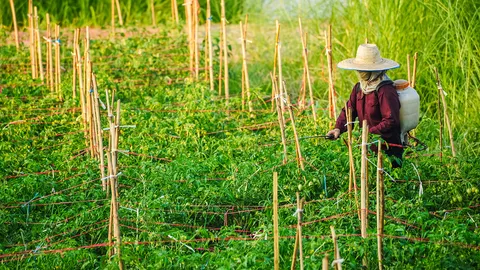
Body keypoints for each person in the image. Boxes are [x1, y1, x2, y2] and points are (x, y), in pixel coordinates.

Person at [326, 43, 403, 167]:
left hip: (387, 149)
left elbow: (390, 120)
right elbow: (348, 111)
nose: (361, 72)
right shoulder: (359, 88)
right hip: (367, 147)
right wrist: (338, 129)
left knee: (388, 180)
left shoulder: (385, 90)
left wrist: (368, 133)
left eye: (365, 70)